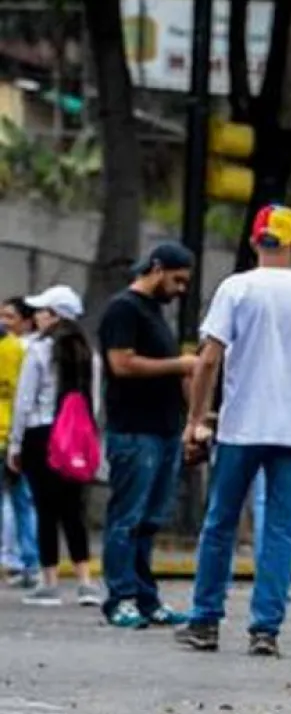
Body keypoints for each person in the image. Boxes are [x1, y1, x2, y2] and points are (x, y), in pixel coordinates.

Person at [175, 205, 291, 657]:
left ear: (255, 242)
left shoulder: (236, 288)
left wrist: (195, 419)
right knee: (280, 530)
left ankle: (205, 621)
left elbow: (208, 359)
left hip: (240, 428)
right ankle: (265, 629)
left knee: (220, 525)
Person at [97, 242, 198, 628]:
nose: (181, 289)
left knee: (150, 520)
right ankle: (120, 597)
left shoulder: (154, 312)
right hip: (134, 431)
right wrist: (180, 363)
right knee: (127, 517)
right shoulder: (123, 309)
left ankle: (145, 596)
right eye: (177, 279)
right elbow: (121, 364)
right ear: (156, 268)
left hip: (164, 429)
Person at [5, 285, 101, 607]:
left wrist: (15, 445)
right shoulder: (90, 354)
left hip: (40, 434)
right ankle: (86, 581)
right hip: (74, 436)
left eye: (42, 311)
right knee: (73, 509)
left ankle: (49, 582)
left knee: (45, 509)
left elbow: (24, 401)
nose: (37, 316)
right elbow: (94, 403)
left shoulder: (39, 350)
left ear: (55, 315)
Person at [0, 296, 39, 589]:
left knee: (16, 501)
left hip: (9, 433)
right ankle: (29, 562)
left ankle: (14, 560)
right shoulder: (27, 350)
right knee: (23, 502)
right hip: (18, 432)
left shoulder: (15, 349)